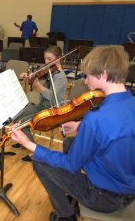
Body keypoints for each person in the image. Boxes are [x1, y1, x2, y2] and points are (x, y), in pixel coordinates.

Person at [11, 45, 135, 221]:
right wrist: (79, 126)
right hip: (128, 187)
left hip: (105, 197)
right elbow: (117, 130)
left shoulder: (96, 118)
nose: (86, 81)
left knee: (40, 162)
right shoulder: (131, 103)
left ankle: (66, 216)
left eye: (88, 75)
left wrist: (29, 144)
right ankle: (72, 197)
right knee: (69, 143)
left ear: (104, 74)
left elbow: (70, 164)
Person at [12, 46, 67, 163]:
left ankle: (34, 151)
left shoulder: (60, 77)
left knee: (22, 123)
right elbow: (37, 77)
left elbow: (51, 96)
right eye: (45, 59)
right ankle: (23, 141)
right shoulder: (50, 72)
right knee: (16, 115)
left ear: (59, 58)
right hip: (41, 106)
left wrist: (38, 85)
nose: (46, 62)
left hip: (52, 110)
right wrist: (27, 76)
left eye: (49, 59)